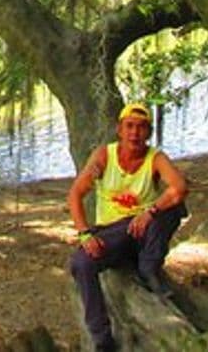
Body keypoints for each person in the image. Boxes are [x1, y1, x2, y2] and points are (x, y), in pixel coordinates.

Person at [68, 102, 189, 352]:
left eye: (141, 127)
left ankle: (149, 268)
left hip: (145, 231)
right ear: (119, 130)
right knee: (81, 264)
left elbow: (179, 188)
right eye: (129, 127)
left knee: (174, 207)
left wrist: (150, 211)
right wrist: (84, 234)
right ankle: (102, 339)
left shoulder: (155, 158)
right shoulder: (104, 156)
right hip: (112, 233)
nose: (135, 133)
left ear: (149, 132)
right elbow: (75, 194)